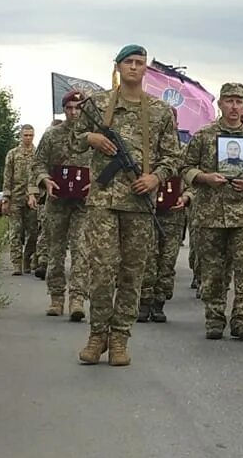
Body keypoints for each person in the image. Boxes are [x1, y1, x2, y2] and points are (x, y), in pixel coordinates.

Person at [71, 45, 182, 367]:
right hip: (103, 201)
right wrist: (90, 138)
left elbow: (173, 157)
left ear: (146, 69)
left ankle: (120, 338)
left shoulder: (159, 111)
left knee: (133, 274)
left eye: (140, 63)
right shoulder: (99, 104)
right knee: (102, 272)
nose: (134, 67)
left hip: (139, 203)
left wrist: (155, 178)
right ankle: (97, 336)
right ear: (118, 67)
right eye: (129, 62)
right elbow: (71, 139)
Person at [182, 82, 243, 340]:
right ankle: (215, 318)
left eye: (239, 101)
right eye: (229, 101)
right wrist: (204, 178)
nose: (234, 106)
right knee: (213, 270)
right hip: (210, 213)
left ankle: (242, 319)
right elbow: (184, 167)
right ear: (220, 104)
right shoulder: (204, 135)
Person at [33, 91, 90, 320]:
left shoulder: (92, 137)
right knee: (55, 250)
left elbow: (104, 165)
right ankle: (56, 297)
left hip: (83, 203)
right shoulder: (52, 135)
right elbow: (38, 163)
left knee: (81, 251)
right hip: (57, 202)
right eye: (70, 108)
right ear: (64, 109)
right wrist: (45, 180)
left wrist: (95, 183)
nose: (74, 112)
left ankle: (77, 299)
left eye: (78, 108)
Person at [140, 172, 188, 323]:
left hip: (173, 215)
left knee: (168, 260)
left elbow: (194, 181)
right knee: (147, 258)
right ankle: (144, 301)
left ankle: (159, 302)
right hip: (146, 210)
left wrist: (186, 197)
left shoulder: (182, 155)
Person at [2, 125, 40, 275]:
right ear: (21, 136)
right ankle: (16, 263)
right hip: (16, 197)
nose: (28, 138)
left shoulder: (38, 154)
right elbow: (7, 176)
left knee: (33, 232)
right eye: (26, 135)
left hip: (33, 198)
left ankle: (27, 258)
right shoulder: (13, 154)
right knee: (15, 232)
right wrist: (6, 197)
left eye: (31, 135)